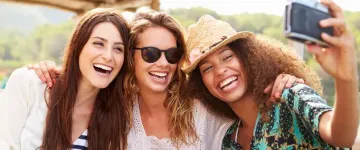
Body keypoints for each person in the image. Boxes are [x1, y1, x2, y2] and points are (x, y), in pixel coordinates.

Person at [29, 11, 304, 149]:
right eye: (150, 53)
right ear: (130, 57)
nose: (163, 63)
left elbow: (250, 119)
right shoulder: (115, 109)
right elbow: (88, 78)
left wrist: (280, 81)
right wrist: (53, 72)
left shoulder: (202, 109)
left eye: (172, 54)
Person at [183, 0, 359, 149]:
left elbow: (341, 137)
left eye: (227, 57)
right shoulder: (229, 138)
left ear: (248, 58)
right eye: (207, 68)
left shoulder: (290, 95)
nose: (220, 70)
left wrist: (346, 79)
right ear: (201, 84)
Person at [0, 8, 131, 150]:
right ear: (78, 46)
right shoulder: (28, 85)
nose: (108, 56)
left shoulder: (118, 118)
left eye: (118, 49)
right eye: (99, 44)